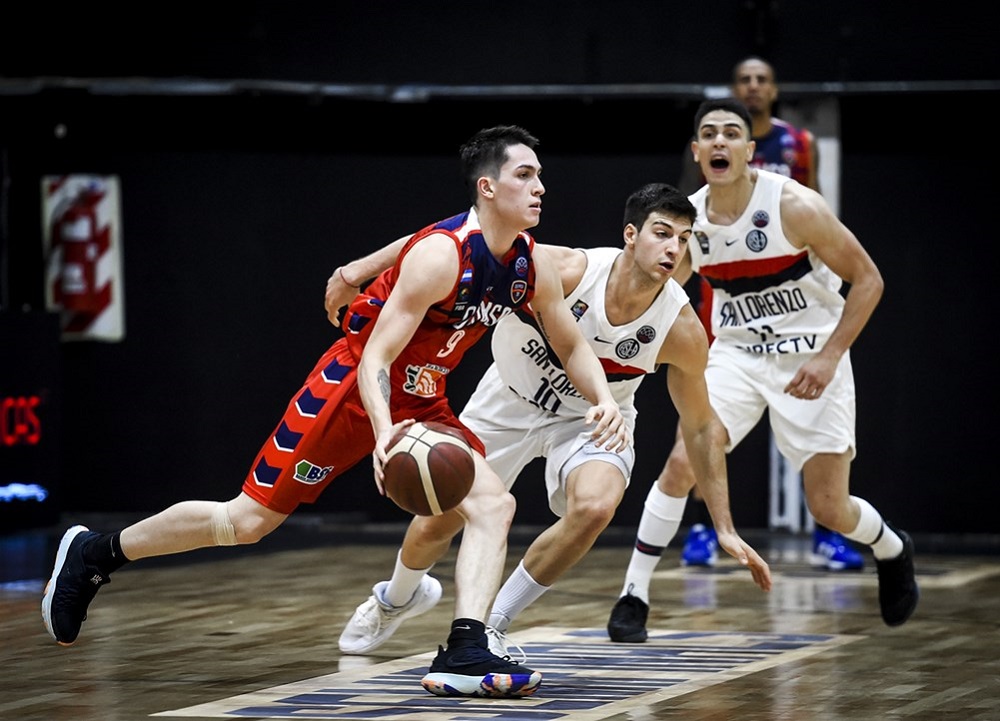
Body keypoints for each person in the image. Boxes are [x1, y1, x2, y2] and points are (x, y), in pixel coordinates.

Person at [41, 125, 629, 699]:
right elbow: (376, 354)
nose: (540, 187)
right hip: (351, 387)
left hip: (424, 395)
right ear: (487, 187)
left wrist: (603, 399)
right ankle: (97, 551)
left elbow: (572, 343)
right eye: (524, 175)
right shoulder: (440, 258)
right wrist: (384, 434)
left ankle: (466, 644)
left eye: (541, 175)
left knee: (493, 504)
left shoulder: (528, 263)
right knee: (247, 522)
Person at [330, 183, 772, 659]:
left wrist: (724, 526)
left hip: (593, 416)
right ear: (630, 234)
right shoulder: (562, 268)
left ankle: (492, 625)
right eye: (662, 233)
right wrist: (358, 269)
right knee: (438, 518)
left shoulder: (680, 329)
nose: (673, 248)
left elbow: (702, 426)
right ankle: (396, 597)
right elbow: (450, 240)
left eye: (684, 239)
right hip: (510, 399)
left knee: (597, 505)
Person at [607, 99, 919, 643]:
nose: (721, 142)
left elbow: (868, 280)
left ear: (751, 151)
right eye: (710, 134)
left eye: (733, 133)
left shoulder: (795, 206)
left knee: (827, 507)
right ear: (697, 151)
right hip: (738, 352)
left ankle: (893, 547)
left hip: (812, 352)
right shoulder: (690, 222)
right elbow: (661, 287)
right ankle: (634, 594)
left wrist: (829, 357)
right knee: (683, 463)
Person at [675, 56, 863, 573]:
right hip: (729, 294)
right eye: (745, 80)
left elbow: (818, 205)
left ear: (773, 90)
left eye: (762, 80)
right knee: (700, 430)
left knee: (819, 466)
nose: (754, 87)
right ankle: (700, 530)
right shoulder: (706, 157)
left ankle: (831, 532)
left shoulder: (796, 148)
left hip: (792, 290)